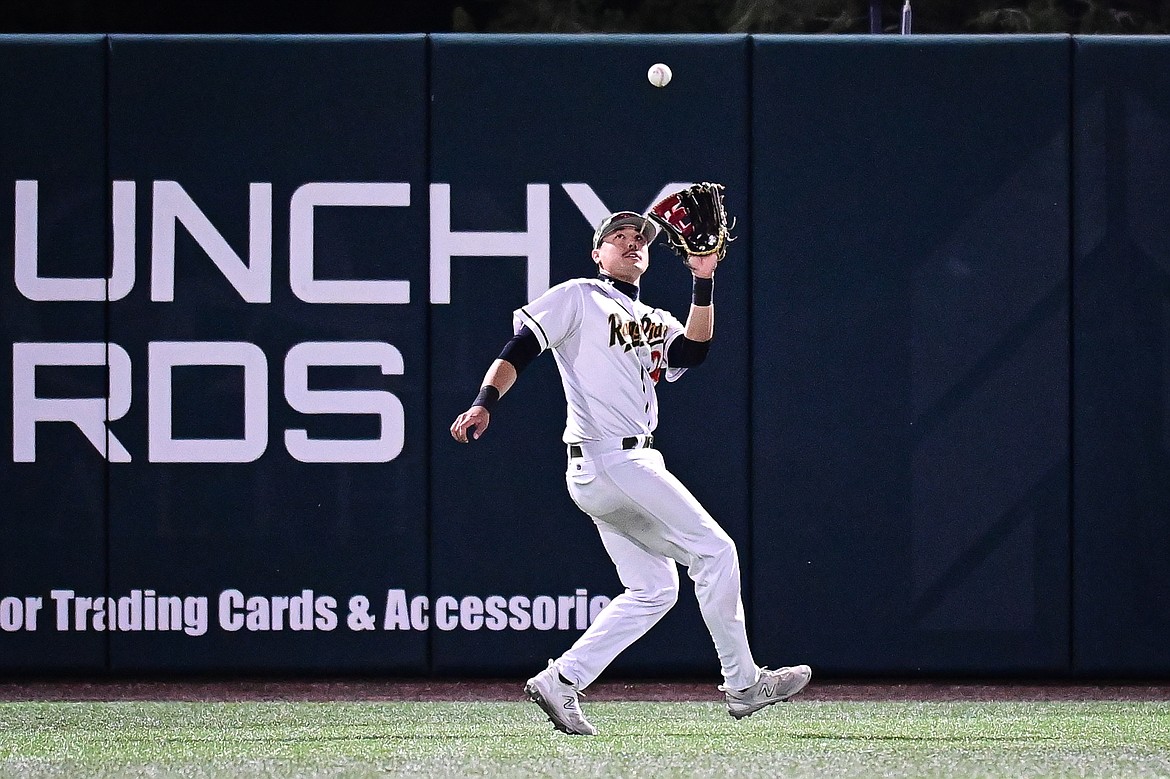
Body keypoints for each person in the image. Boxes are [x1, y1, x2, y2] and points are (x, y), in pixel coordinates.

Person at [450, 209, 811, 736]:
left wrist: (703, 278)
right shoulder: (578, 296)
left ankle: (561, 680)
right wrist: (485, 402)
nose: (631, 243)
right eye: (617, 237)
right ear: (597, 253)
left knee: (654, 589)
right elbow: (521, 347)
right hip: (613, 458)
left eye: (638, 238)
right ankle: (743, 684)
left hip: (618, 465)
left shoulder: (655, 318)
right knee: (716, 551)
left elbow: (693, 348)